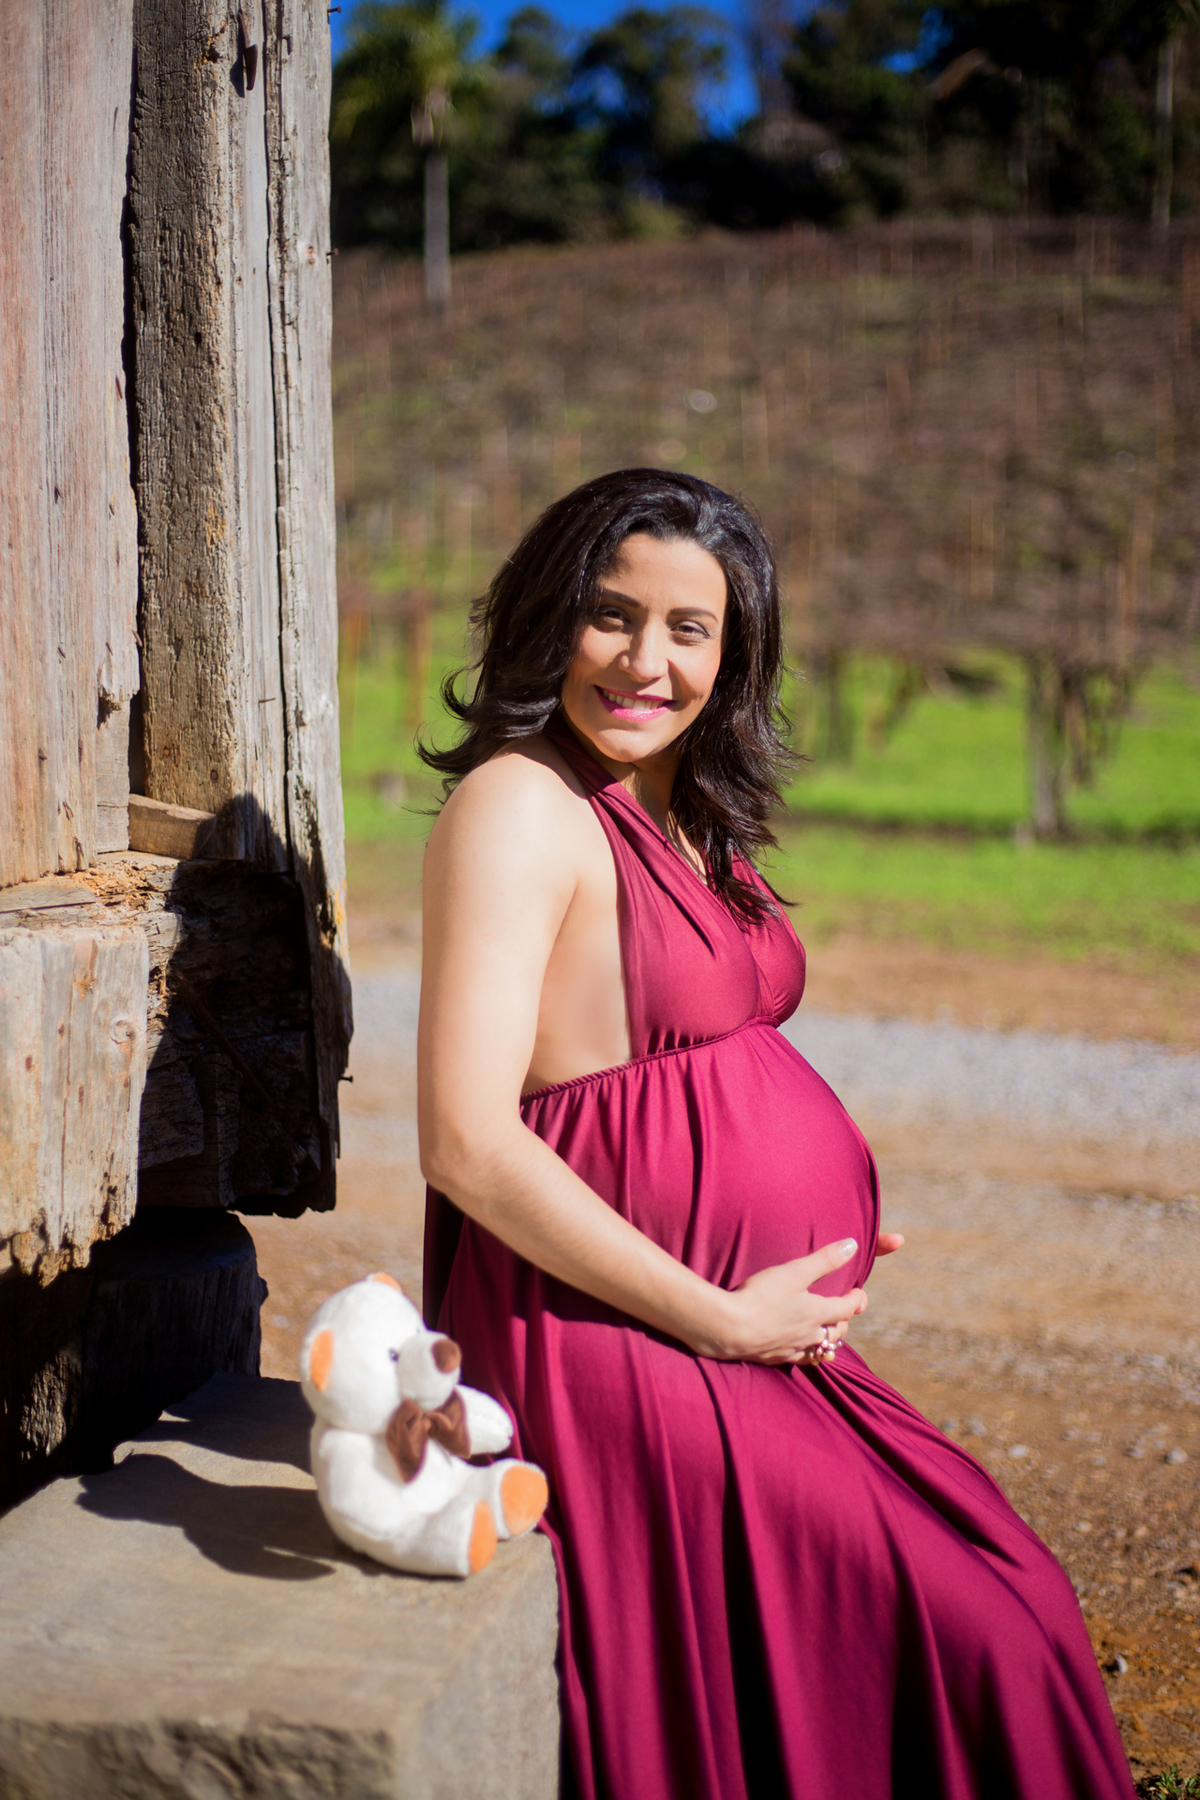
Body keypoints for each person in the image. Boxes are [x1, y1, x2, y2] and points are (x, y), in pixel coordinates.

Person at [416, 468, 1133, 1800]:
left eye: (690, 628)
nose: (646, 659)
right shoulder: (524, 808)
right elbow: (465, 1143)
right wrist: (719, 1310)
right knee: (978, 1635)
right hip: (615, 1350)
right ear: (547, 618)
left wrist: (811, 1211)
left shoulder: (682, 812)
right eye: (611, 614)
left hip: (722, 1331)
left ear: (734, 651)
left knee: (1012, 1588)